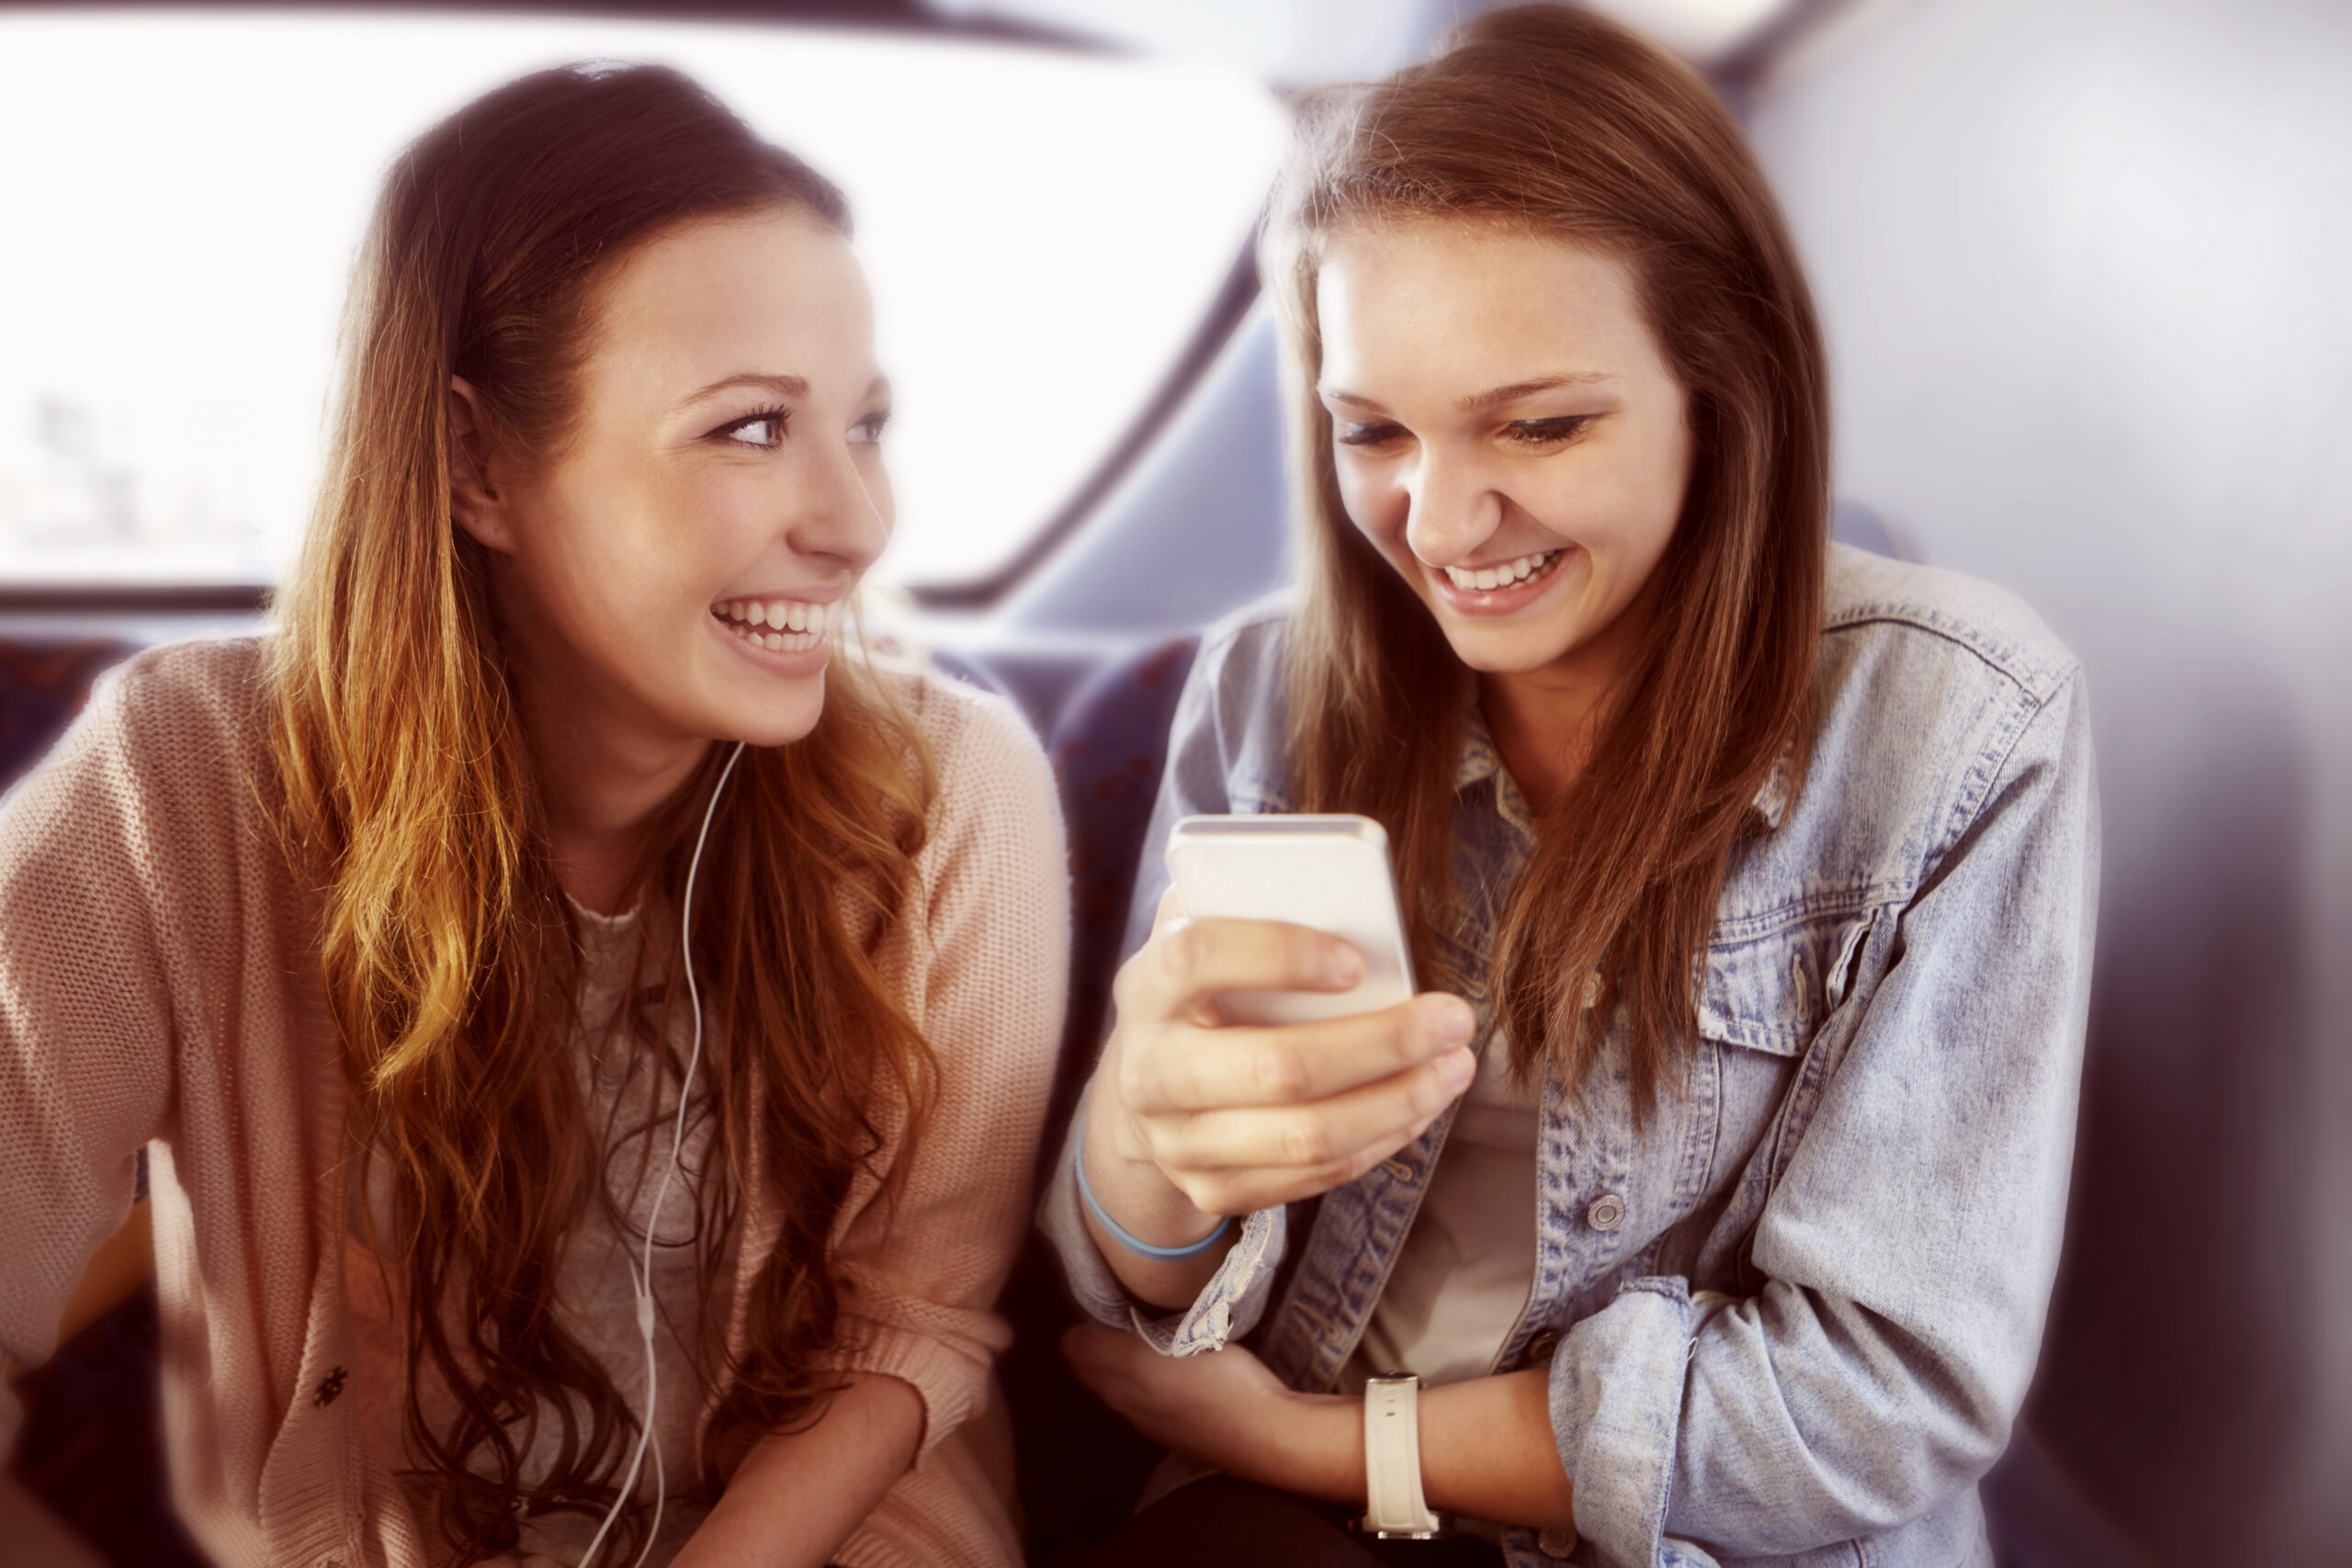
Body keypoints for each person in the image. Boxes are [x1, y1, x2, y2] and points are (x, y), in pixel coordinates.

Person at [1044, 7, 2097, 1567]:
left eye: (1539, 424)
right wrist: (1141, 1147)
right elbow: (1124, 1291)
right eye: (1374, 429)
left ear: (1717, 392)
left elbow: (1884, 1400)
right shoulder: (1264, 692)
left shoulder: (1960, 726)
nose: (1446, 520)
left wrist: (1339, 1447)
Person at [0, 63, 1066, 1568]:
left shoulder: (957, 789)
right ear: (475, 461)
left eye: (865, 427)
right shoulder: (178, 779)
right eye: (752, 428)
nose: (856, 524)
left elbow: (916, 1322)